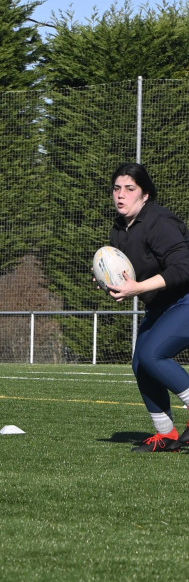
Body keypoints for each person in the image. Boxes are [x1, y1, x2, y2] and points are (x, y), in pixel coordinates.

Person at [102, 162, 189, 451]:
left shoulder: (159, 221)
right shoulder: (119, 230)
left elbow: (184, 267)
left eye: (130, 189)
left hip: (186, 299)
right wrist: (107, 281)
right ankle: (167, 435)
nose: (121, 195)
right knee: (141, 363)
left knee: (153, 355)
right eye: (117, 188)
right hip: (162, 305)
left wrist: (137, 288)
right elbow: (128, 274)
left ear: (145, 194)